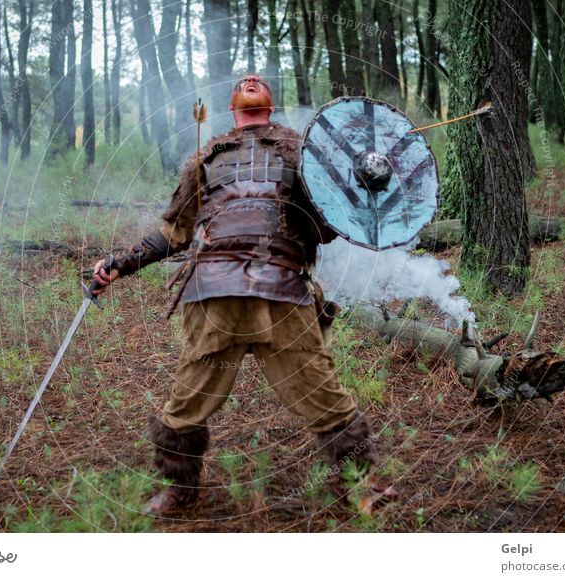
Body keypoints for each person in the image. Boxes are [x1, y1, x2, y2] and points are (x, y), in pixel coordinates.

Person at [92, 74, 392, 516]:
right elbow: (172, 232)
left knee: (323, 394)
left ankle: (361, 485)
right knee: (186, 401)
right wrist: (120, 264)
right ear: (234, 107)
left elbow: (331, 226)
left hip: (281, 291)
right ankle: (178, 489)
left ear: (269, 104)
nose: (251, 81)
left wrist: (367, 182)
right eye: (243, 82)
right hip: (214, 292)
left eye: (259, 81)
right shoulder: (206, 156)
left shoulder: (301, 151)